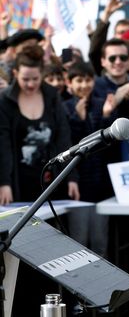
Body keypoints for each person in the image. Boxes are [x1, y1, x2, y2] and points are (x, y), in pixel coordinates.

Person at [0, 45, 71, 203]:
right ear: (15, 73)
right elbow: (2, 145)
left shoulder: (52, 96)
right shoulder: (5, 100)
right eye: (25, 79)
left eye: (35, 79)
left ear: (42, 74)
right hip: (19, 180)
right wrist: (4, 182)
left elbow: (63, 137)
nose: (31, 84)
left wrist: (71, 177)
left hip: (51, 178)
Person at [62, 61, 118, 256]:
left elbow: (107, 145)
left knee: (100, 241)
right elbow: (71, 146)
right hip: (78, 187)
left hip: (101, 185)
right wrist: (77, 118)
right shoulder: (65, 107)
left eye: (88, 80)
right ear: (69, 82)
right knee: (78, 240)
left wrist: (106, 116)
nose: (84, 85)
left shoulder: (102, 104)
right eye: (79, 80)